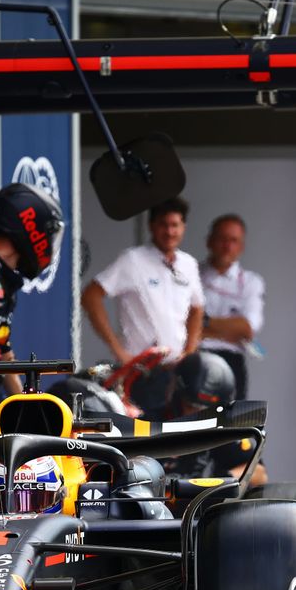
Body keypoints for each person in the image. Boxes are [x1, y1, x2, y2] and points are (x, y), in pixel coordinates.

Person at [80, 198, 204, 413]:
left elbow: (197, 308)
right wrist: (118, 350)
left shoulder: (188, 264)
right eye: (164, 224)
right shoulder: (133, 260)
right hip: (141, 372)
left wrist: (190, 352)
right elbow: (91, 295)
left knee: (179, 438)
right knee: (146, 437)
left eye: (175, 225)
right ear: (151, 226)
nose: (169, 231)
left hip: (178, 372)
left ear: (183, 227)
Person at [0, 182, 64, 419]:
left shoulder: (4, 278)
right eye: (48, 234)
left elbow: (2, 351)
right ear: (30, 228)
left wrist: (25, 408)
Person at [157, 351, 264, 483]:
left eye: (206, 411)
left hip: (199, 501)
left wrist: (220, 483)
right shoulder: (148, 422)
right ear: (177, 396)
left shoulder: (223, 431)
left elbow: (259, 473)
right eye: (191, 406)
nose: (198, 416)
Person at [199, 214, 265, 400]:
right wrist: (229, 330)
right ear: (209, 242)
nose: (227, 246)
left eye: (234, 240)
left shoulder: (252, 282)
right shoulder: (190, 275)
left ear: (241, 247)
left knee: (231, 426)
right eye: (222, 239)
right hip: (194, 358)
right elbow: (181, 324)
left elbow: (247, 328)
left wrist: (202, 324)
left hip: (231, 362)